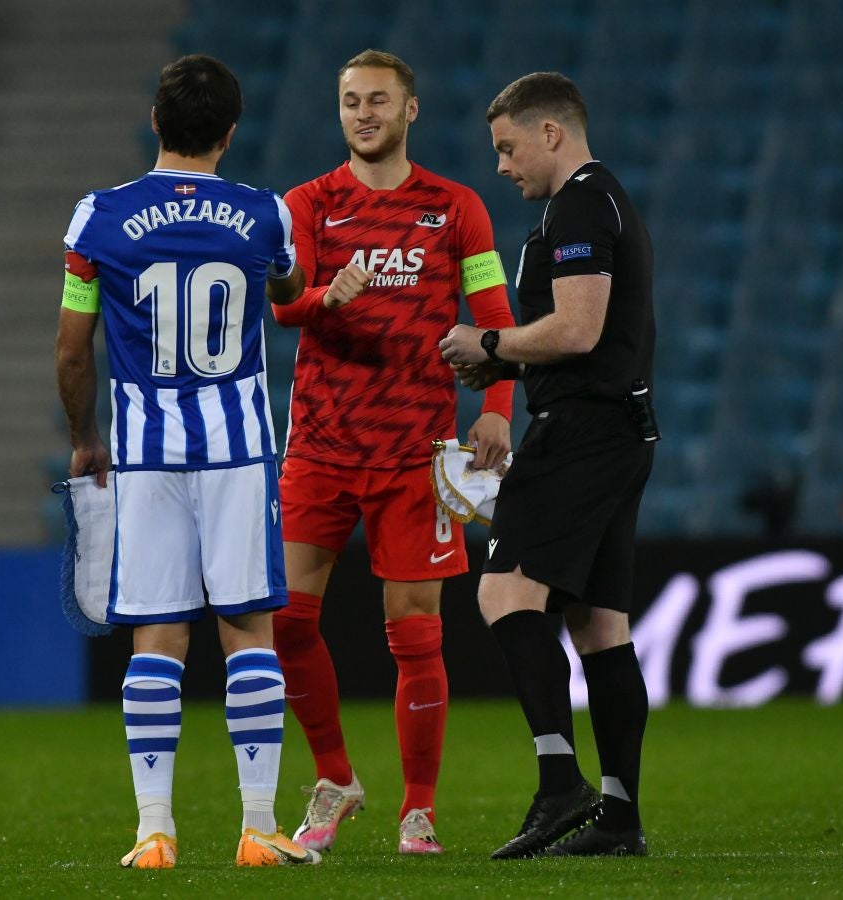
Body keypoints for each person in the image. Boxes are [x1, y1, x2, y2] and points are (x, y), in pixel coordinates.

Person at [55, 54, 320, 870]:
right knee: (249, 631)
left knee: (156, 639)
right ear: (231, 131)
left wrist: (85, 435)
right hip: (238, 451)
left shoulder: (98, 219)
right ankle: (258, 827)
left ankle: (155, 832)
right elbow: (290, 287)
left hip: (143, 455)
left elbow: (72, 351)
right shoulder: (263, 215)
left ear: (155, 119)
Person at [270, 49, 517, 856]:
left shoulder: (457, 209)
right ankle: (336, 779)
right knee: (286, 621)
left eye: (378, 100)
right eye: (349, 101)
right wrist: (320, 298)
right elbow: (284, 305)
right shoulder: (306, 205)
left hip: (418, 449)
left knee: (416, 633)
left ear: (410, 111)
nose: (362, 113)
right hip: (320, 446)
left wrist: (499, 409)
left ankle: (420, 811)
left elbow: (492, 312)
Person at [439, 71, 657, 858]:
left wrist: (489, 344)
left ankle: (559, 781)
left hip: (583, 433)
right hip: (616, 429)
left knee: (502, 591)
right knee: (599, 624)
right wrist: (504, 368)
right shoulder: (595, 203)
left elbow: (577, 330)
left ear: (551, 133)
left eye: (507, 147)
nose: (502, 165)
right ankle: (621, 819)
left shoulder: (580, 205)